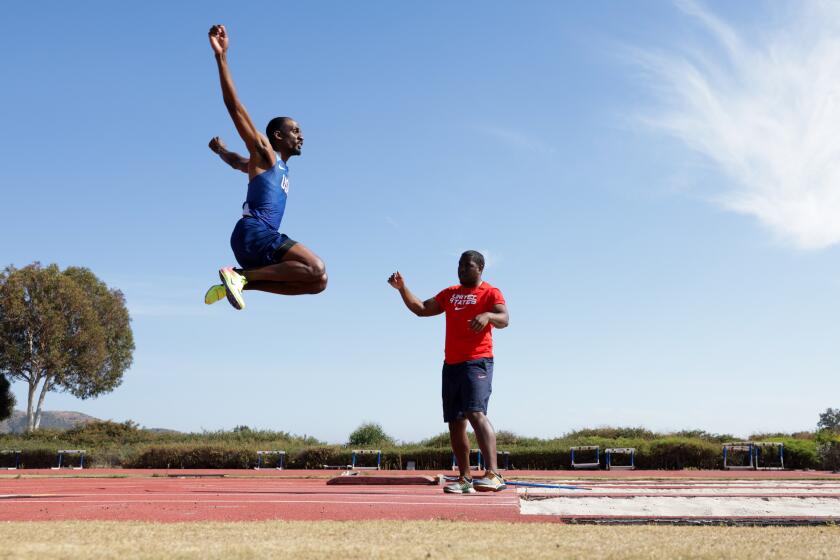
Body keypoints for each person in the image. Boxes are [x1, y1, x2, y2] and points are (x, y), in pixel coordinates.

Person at [204, 24, 327, 310]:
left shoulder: (271, 166)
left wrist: (221, 150)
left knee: (317, 282)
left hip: (254, 240)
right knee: (315, 266)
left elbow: (237, 162)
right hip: (254, 232)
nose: (301, 136)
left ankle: (239, 282)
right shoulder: (266, 153)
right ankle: (239, 276)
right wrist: (221, 58)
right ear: (277, 136)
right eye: (295, 131)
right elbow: (235, 107)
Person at [388, 251, 509, 493]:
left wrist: (487, 315)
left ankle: (494, 474)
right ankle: (465, 479)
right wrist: (402, 288)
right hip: (451, 365)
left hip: (478, 362)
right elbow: (421, 308)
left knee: (476, 412)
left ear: (481, 268)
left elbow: (504, 318)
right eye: (459, 265)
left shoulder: (491, 292)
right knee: (455, 422)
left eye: (467, 265)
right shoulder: (450, 293)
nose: (462, 269)